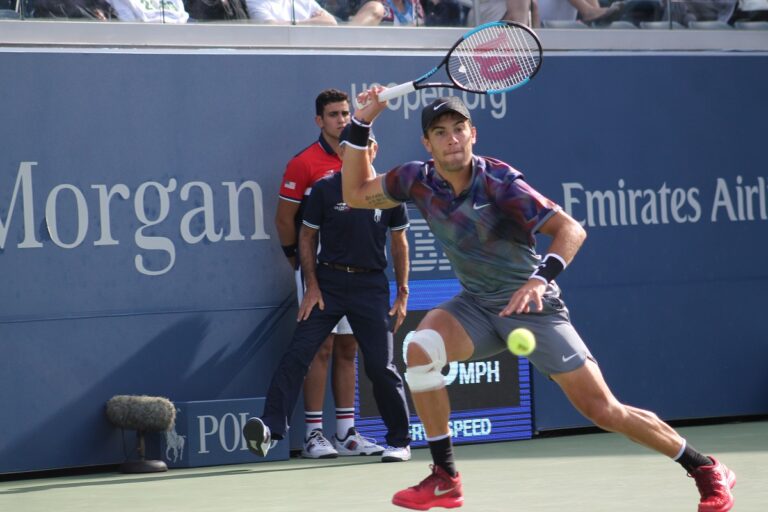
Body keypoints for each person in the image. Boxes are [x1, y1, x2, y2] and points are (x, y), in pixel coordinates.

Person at [340, 89, 737, 511]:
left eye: (459, 129)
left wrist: (539, 279)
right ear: (428, 144)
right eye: (441, 132)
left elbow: (571, 229)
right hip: (476, 304)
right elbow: (356, 193)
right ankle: (445, 478)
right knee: (420, 350)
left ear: (473, 134)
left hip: (533, 307)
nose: (452, 138)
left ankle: (705, 467)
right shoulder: (416, 179)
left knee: (602, 409)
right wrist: (361, 123)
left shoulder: (499, 183)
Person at [244, 123, 413, 463]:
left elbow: (399, 243)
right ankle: (270, 429)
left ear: (374, 152)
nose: (358, 155)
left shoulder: (389, 190)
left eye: (365, 149)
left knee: (381, 365)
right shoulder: (323, 189)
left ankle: (400, 441)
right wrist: (311, 286)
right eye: (351, 150)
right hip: (328, 285)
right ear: (341, 155)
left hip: (371, 287)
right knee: (298, 353)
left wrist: (403, 291)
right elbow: (306, 238)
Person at [273, 88, 381, 458]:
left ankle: (346, 432)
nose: (342, 119)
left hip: (358, 271)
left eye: (346, 113)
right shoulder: (303, 163)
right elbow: (285, 221)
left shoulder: (362, 157)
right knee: (321, 347)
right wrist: (300, 266)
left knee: (350, 348)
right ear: (319, 121)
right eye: (334, 114)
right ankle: (314, 433)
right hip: (318, 272)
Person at [245, 0, 337, 24]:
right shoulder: (254, 2)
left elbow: (331, 22)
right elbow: (271, 27)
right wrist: (314, 21)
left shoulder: (304, 1)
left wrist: (293, 24)